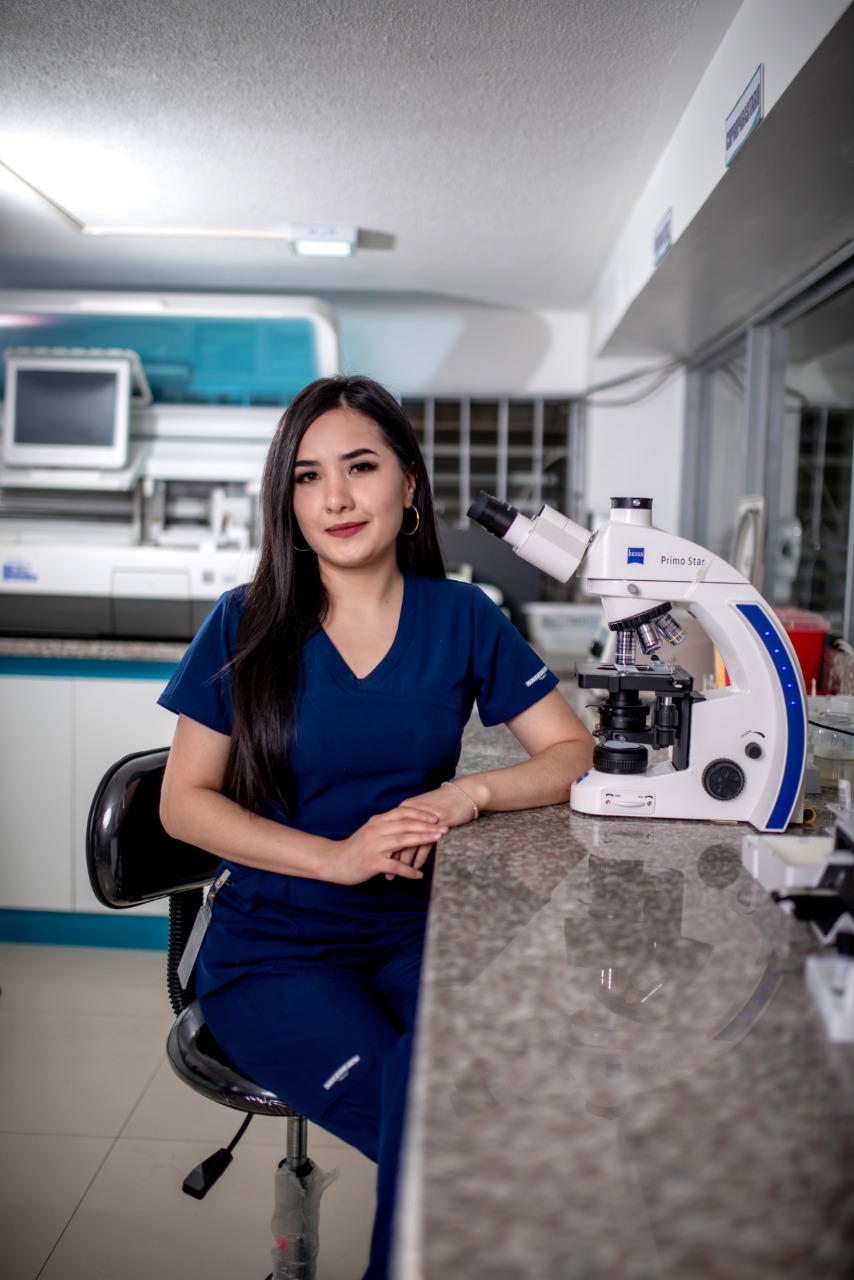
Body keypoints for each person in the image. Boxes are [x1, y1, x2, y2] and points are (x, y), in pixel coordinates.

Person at [158, 375, 593, 1279]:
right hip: (274, 949)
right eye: (308, 477)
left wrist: (467, 796)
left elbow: (570, 751)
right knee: (432, 1120)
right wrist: (335, 857)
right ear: (289, 502)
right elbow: (183, 802)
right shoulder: (244, 622)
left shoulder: (462, 617)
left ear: (409, 485)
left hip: (417, 934)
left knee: (496, 1092)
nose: (337, 498)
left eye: (360, 467)